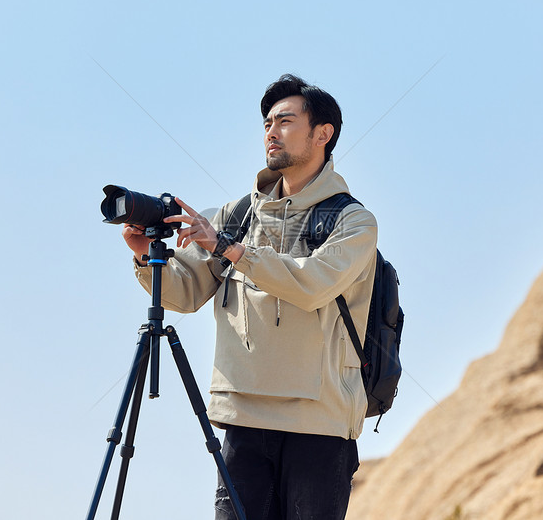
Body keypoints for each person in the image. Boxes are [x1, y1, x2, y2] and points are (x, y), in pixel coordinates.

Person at [122, 74, 378, 520]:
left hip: (318, 425)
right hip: (243, 421)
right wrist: (147, 257)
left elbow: (312, 283)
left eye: (285, 121)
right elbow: (186, 294)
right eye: (266, 124)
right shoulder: (237, 216)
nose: (271, 133)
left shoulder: (353, 222)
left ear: (323, 134)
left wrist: (230, 248)